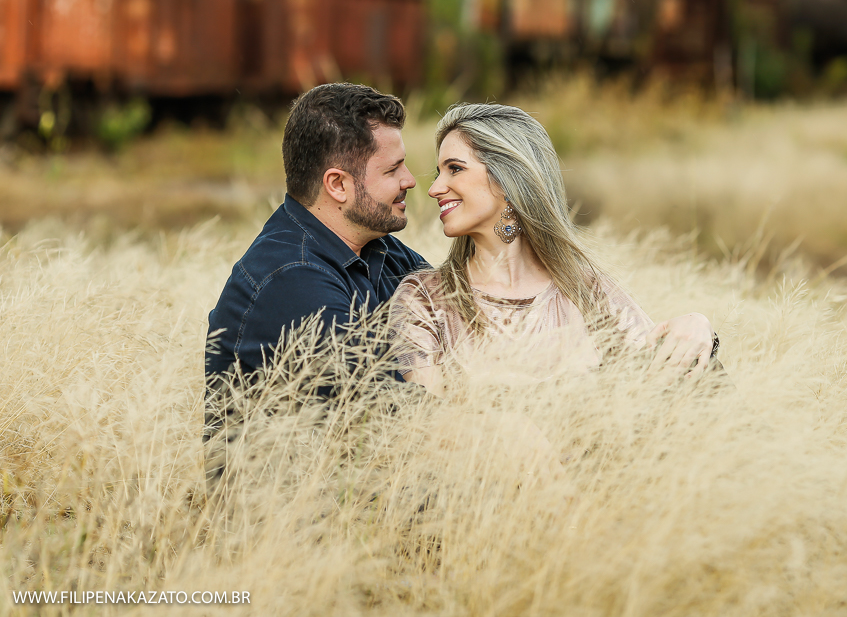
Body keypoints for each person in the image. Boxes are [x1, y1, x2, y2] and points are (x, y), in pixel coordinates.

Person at [388, 103, 721, 397]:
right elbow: (429, 424)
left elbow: (657, 370)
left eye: (455, 169)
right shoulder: (423, 299)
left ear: (507, 180)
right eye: (438, 171)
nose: (433, 189)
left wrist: (695, 324)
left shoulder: (584, 288)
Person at [204, 83, 428, 487]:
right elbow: (387, 410)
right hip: (287, 530)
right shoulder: (290, 278)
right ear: (338, 185)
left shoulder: (380, 251)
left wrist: (500, 221)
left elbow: (467, 316)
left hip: (357, 495)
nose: (410, 180)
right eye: (392, 170)